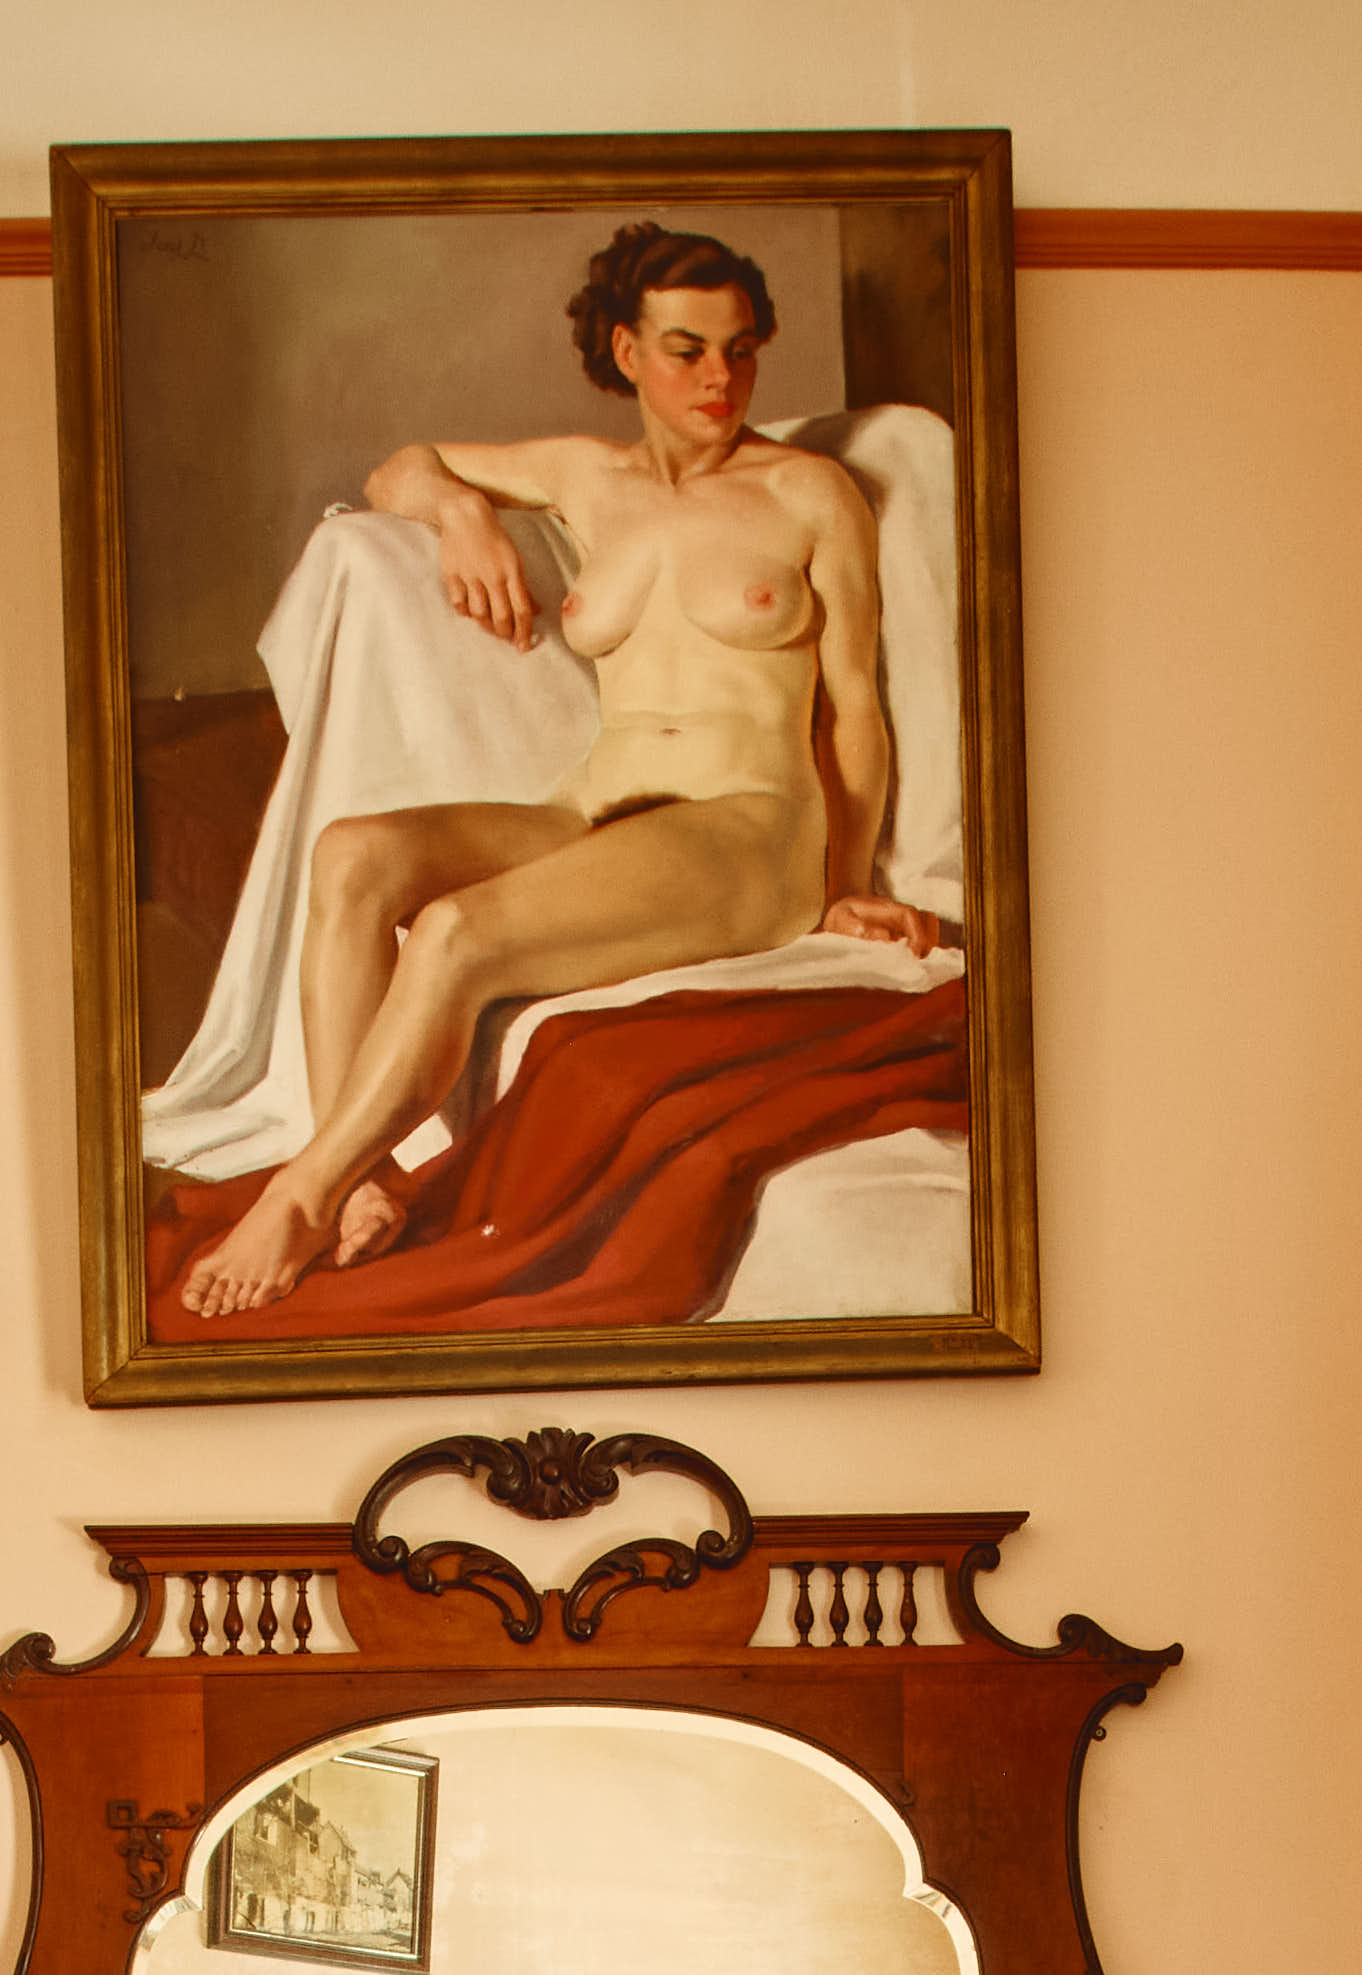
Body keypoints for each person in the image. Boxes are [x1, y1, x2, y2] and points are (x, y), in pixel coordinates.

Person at [179, 225, 945, 1322]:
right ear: (626, 353)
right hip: (593, 810)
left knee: (452, 932)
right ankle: (370, 1177)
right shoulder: (589, 478)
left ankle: (304, 1193)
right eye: (686, 350)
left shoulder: (809, 492)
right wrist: (456, 515)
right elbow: (399, 466)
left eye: (739, 351)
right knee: (352, 855)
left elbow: (856, 706)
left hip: (744, 828)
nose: (718, 379)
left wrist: (844, 874)